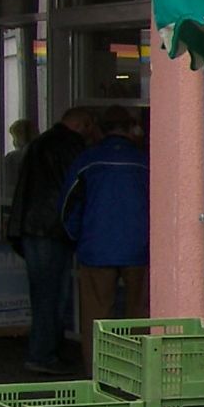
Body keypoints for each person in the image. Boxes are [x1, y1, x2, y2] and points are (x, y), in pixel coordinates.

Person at [7, 107, 100, 375]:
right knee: (52, 294)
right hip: (51, 228)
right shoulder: (70, 146)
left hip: (31, 225)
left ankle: (46, 351)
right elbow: (77, 187)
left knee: (44, 293)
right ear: (84, 124)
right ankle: (43, 354)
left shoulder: (41, 143)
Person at [62, 106, 151, 328]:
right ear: (131, 128)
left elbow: (68, 206)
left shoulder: (87, 161)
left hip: (96, 248)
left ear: (100, 129)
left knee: (97, 316)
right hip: (139, 248)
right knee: (140, 316)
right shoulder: (145, 162)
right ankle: (139, 352)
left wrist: (76, 237)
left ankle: (97, 353)